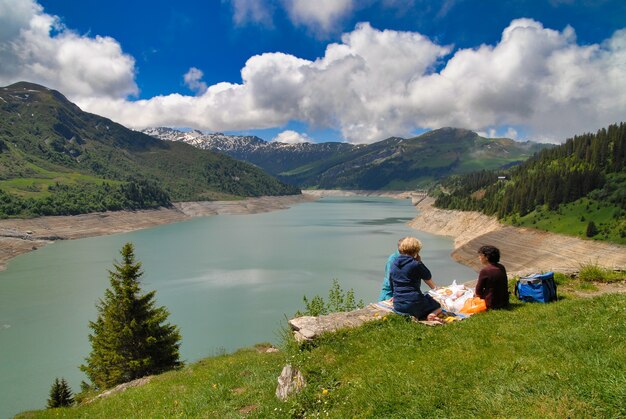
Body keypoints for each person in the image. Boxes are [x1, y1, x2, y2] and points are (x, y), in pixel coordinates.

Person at [389, 237, 442, 321]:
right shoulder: (415, 264)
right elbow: (427, 275)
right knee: (438, 306)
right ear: (416, 250)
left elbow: (391, 282)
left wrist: (395, 296)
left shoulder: (393, 263)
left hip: (398, 305)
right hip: (413, 302)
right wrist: (419, 262)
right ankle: (431, 314)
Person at [475, 245, 509, 309]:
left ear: (486, 257)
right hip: (504, 301)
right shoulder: (501, 267)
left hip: (491, 303)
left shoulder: (485, 271)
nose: (479, 257)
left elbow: (478, 290)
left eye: (480, 255)